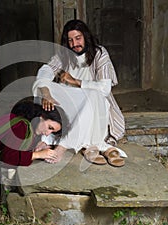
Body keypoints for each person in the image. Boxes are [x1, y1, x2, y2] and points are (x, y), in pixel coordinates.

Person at [32, 19, 126, 166]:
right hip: (70, 100)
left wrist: (75, 81)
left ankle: (65, 146)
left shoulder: (99, 53)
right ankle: (49, 139)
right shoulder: (64, 55)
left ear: (85, 37)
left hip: (95, 101)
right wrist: (46, 93)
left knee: (93, 96)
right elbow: (45, 71)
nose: (74, 44)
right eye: (70, 40)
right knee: (43, 85)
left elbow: (105, 87)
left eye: (78, 38)